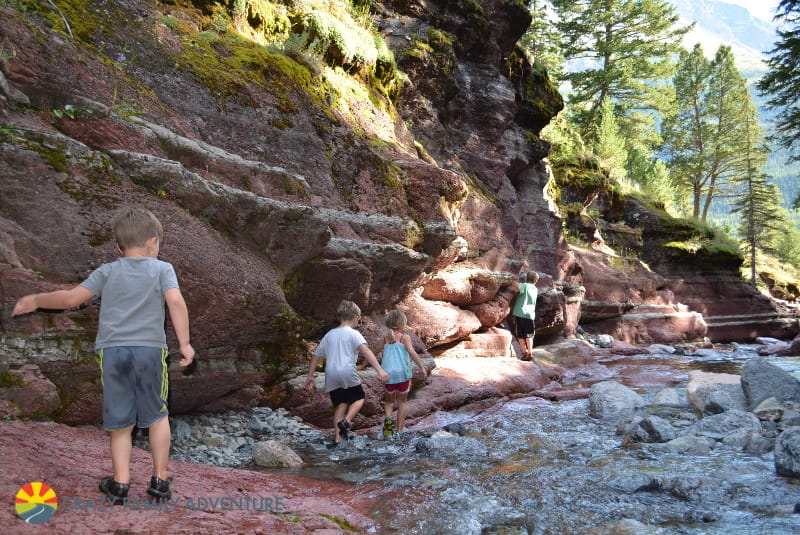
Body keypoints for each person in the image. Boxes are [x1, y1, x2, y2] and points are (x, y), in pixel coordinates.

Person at [12, 206, 194, 504]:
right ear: (152, 242)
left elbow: (71, 298)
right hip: (149, 351)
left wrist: (36, 299)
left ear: (118, 247)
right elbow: (175, 301)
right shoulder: (163, 269)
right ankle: (160, 480)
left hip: (113, 352)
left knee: (120, 419)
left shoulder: (106, 271)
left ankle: (120, 484)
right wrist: (185, 344)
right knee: (158, 414)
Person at [304, 300, 389, 444]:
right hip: (347, 371)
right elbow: (366, 352)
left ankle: (338, 439)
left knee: (341, 404)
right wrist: (380, 370)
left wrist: (310, 376)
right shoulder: (353, 334)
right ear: (356, 317)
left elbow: (315, 356)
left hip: (331, 374)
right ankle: (347, 421)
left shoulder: (330, 334)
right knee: (359, 398)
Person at [380, 309, 427, 437]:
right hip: (403, 375)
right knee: (402, 402)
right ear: (402, 324)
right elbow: (412, 352)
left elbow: (372, 352)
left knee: (389, 402)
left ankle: (388, 420)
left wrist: (362, 365)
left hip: (387, 375)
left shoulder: (385, 339)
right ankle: (399, 431)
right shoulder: (404, 337)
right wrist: (422, 367)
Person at [512, 271, 539, 361]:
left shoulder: (524, 285)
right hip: (529, 315)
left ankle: (524, 353)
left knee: (520, 334)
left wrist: (512, 281)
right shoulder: (535, 289)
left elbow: (517, 289)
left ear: (526, 278)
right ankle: (530, 352)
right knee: (529, 334)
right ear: (536, 281)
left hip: (519, 313)